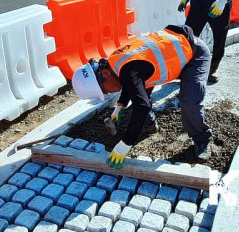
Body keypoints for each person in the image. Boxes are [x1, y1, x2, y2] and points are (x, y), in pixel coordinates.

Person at [72, 25, 213, 169]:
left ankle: (202, 139)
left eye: (104, 90)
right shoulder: (114, 61)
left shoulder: (128, 69)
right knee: (139, 96)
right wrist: (120, 105)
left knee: (189, 101)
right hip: (171, 58)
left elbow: (141, 104)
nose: (107, 94)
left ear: (105, 74)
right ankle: (149, 124)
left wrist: (125, 143)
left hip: (194, 55)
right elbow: (129, 83)